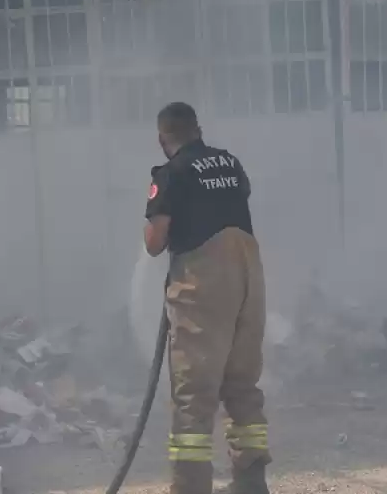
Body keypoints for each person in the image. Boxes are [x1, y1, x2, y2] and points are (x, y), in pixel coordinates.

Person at [143, 102, 271, 494]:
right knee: (242, 385)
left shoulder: (171, 173)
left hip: (204, 285)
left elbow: (154, 243)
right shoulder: (229, 163)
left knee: (193, 393)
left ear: (162, 138)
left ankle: (190, 487)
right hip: (249, 280)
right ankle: (251, 482)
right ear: (198, 129)